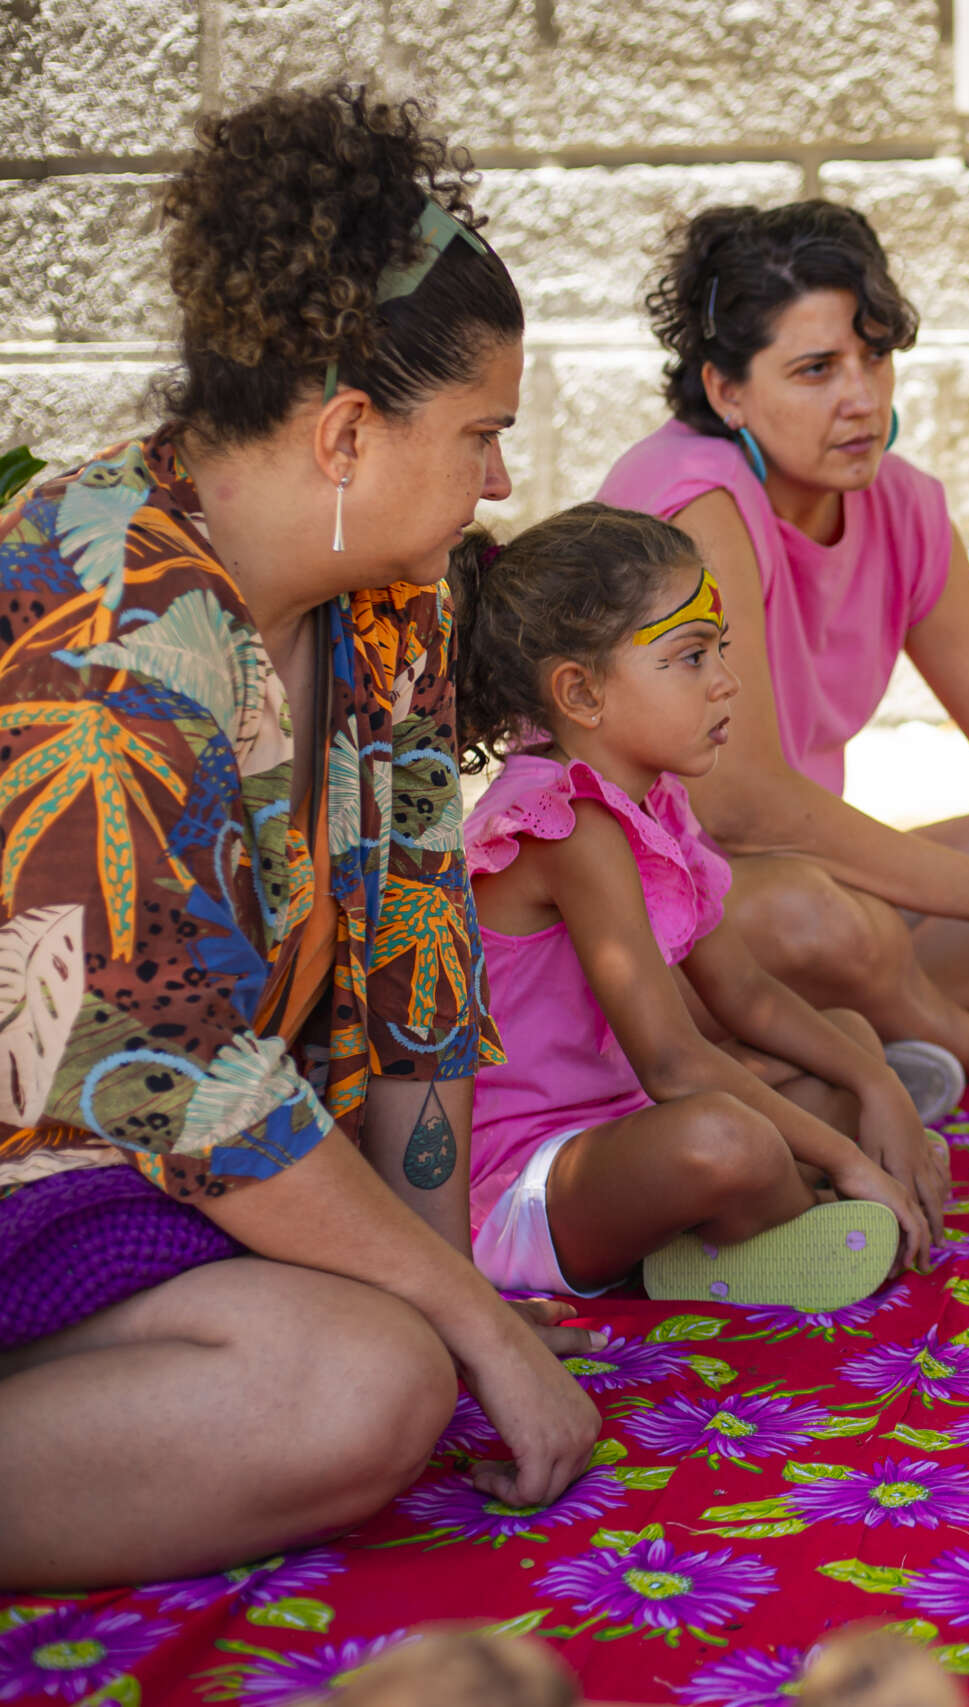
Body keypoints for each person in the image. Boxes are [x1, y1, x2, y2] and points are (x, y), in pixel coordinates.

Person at [0, 84, 598, 1590]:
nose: (503, 484)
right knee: (364, 1381)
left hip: (156, 1168)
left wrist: (458, 1291)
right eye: (482, 435)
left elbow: (417, 964)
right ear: (345, 431)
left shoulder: (385, 607)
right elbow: (167, 1072)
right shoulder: (102, 626)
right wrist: (465, 1326)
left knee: (395, 1354)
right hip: (61, 1159)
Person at [593, 201, 969, 1085]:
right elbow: (739, 805)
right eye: (816, 369)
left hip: (795, 889)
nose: (861, 398)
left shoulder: (901, 504)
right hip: (650, 918)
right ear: (727, 390)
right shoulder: (693, 500)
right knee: (818, 916)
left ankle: (832, 1044)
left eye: (874, 357)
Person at [450, 503, 942, 1305]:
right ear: (580, 692)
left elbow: (743, 994)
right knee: (724, 1137)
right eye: (688, 657)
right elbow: (674, 1062)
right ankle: (783, 1229)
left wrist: (879, 1087)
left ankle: (737, 1231)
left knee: (848, 1043)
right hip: (528, 1190)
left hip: (625, 1129)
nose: (727, 681)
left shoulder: (655, 799)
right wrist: (850, 1159)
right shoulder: (565, 825)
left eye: (721, 649)